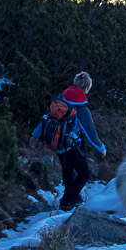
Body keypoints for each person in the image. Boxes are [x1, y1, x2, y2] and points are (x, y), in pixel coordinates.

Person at [31, 71, 107, 210]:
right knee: (84, 174)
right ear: (86, 88)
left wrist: (34, 136)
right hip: (73, 146)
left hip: (58, 144)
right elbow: (90, 134)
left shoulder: (60, 98)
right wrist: (101, 149)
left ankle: (73, 197)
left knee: (68, 170)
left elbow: (45, 117)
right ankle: (67, 201)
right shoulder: (82, 109)